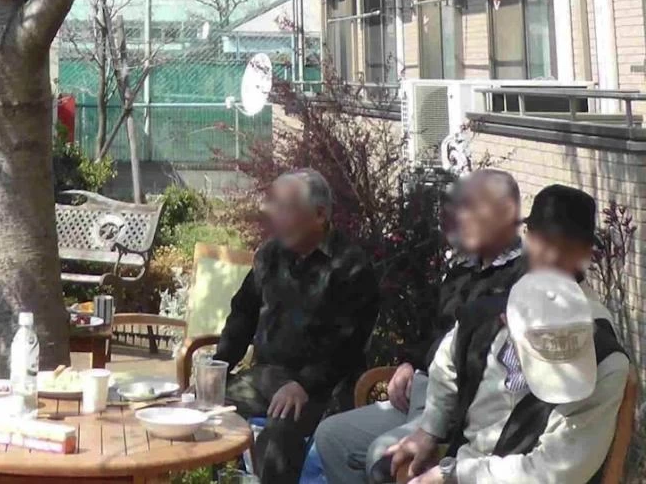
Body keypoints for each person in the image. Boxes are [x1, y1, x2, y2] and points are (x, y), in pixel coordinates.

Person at [380, 184, 629, 484]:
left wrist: (454, 473)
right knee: (379, 462)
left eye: (566, 244)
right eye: (544, 240)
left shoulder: (601, 354)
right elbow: (447, 360)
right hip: (463, 458)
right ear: (528, 237)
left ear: (586, 253)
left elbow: (555, 471)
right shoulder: (499, 302)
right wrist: (429, 430)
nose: (551, 254)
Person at [314, 170, 527, 484]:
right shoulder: (462, 269)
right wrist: (409, 363)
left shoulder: (524, 278)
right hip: (421, 389)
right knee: (331, 435)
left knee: (382, 454)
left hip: (460, 404)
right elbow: (436, 332)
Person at [214, 168, 380, 484]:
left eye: (287, 209)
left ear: (319, 215)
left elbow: (348, 345)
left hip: (323, 387)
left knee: (279, 436)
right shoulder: (270, 254)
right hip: (266, 378)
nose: (275, 217)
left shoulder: (350, 267)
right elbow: (242, 315)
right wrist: (217, 367)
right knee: (204, 408)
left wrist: (303, 384)